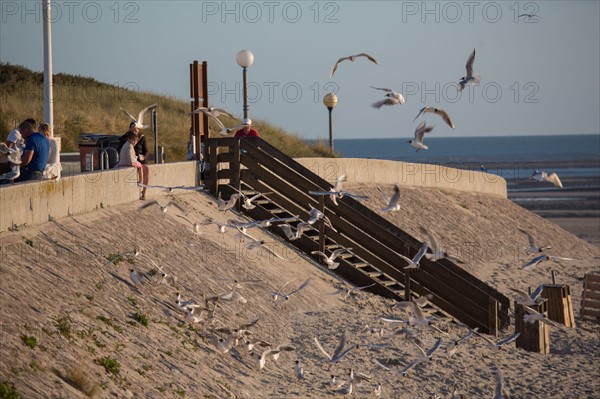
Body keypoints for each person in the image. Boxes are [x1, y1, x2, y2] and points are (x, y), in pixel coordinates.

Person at [115, 130, 149, 200]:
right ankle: (141, 181)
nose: (134, 142)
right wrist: (135, 159)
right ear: (129, 139)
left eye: (135, 140)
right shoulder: (130, 146)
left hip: (123, 162)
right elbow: (130, 158)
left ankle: (141, 181)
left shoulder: (126, 144)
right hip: (128, 162)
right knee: (140, 166)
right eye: (133, 140)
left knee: (140, 165)